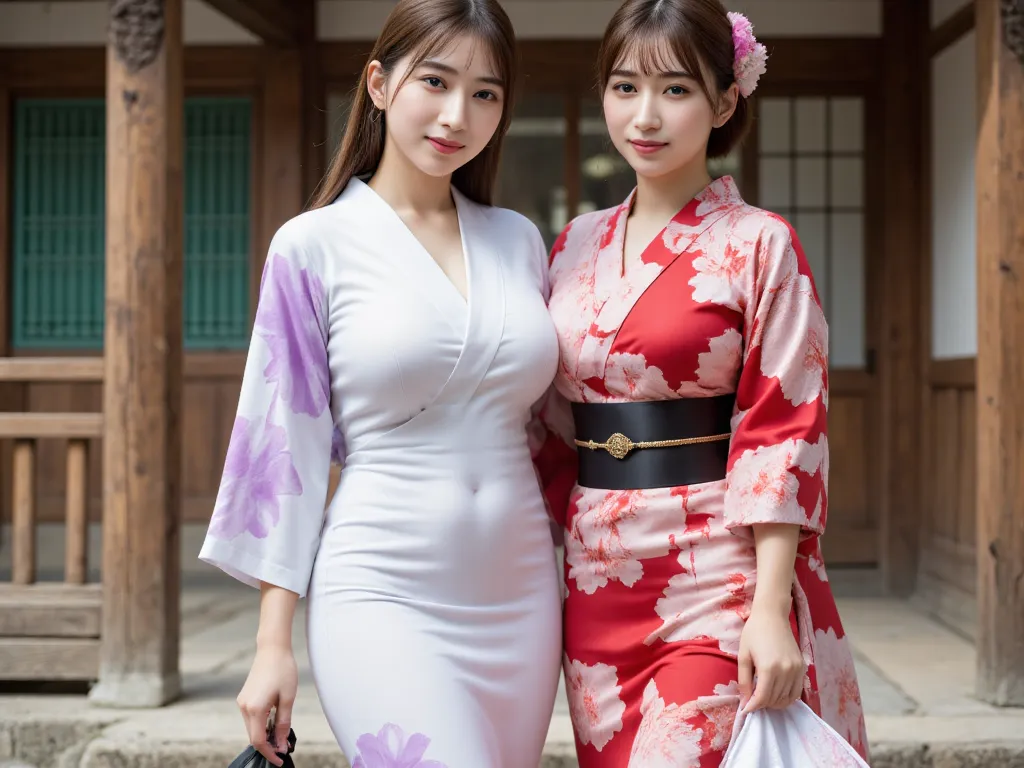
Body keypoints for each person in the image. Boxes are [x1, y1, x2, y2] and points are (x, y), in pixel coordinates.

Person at [198, 1, 567, 765]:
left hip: (521, 592)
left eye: (486, 93)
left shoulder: (519, 242)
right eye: (435, 80)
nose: (457, 114)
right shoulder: (314, 246)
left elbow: (550, 427)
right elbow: (285, 447)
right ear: (378, 82)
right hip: (383, 588)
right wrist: (273, 643)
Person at [540, 0, 871, 764]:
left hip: (716, 569)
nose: (644, 116)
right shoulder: (573, 243)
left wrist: (768, 608)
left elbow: (784, 425)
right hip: (596, 570)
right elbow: (548, 422)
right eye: (624, 88)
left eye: (675, 90)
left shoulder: (761, 243)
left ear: (725, 100)